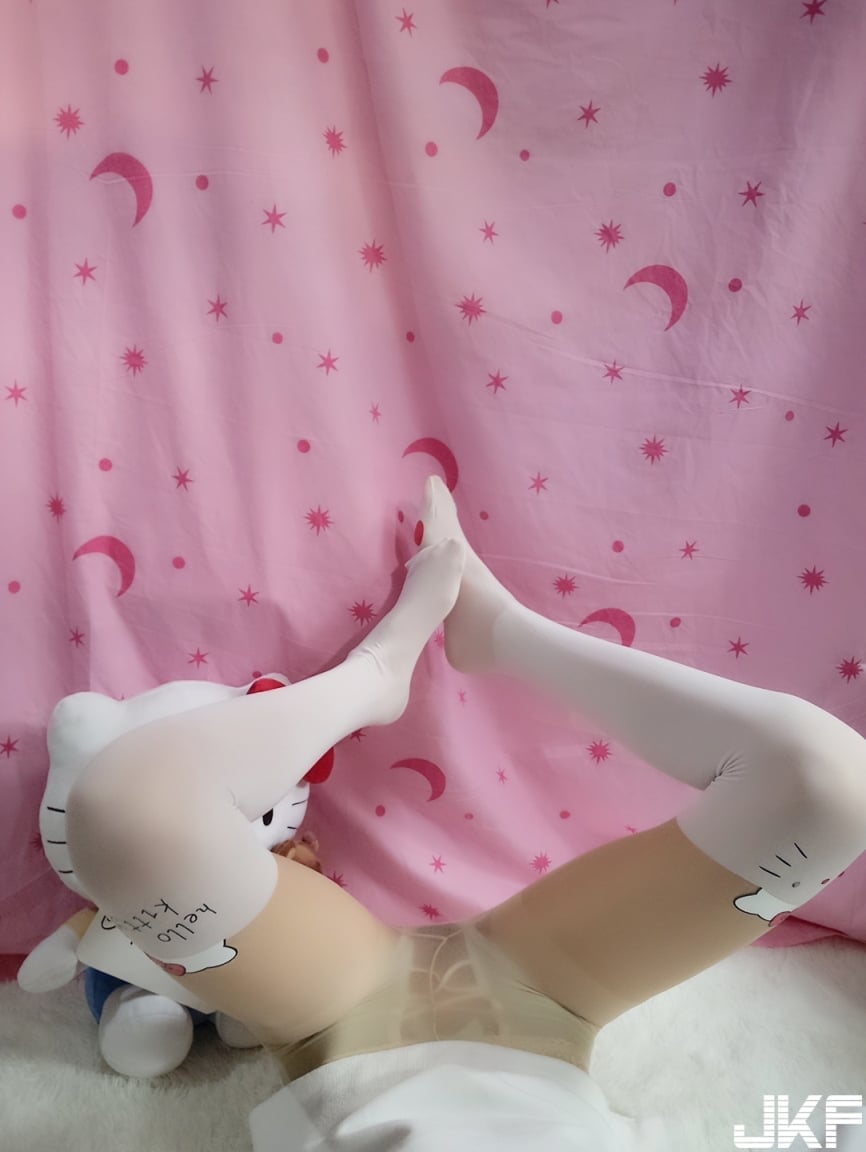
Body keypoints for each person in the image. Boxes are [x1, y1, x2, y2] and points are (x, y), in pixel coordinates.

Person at [66, 475, 866, 1151]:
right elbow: (773, 1128)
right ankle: (503, 634)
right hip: (551, 996)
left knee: (125, 815)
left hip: (337, 1018)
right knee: (829, 787)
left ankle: (377, 674)